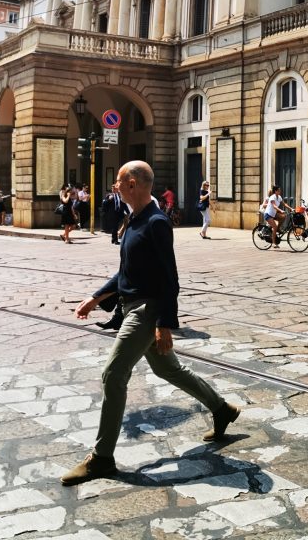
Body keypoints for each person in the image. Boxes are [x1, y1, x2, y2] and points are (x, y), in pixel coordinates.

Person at [61, 160, 240, 486]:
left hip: (146, 310)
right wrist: (96, 298)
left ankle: (101, 459)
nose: (114, 186)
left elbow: (168, 278)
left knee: (113, 374)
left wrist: (164, 324)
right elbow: (126, 273)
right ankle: (222, 409)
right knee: (167, 369)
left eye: (117, 180)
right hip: (131, 306)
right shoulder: (135, 220)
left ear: (132, 183)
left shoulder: (156, 222)